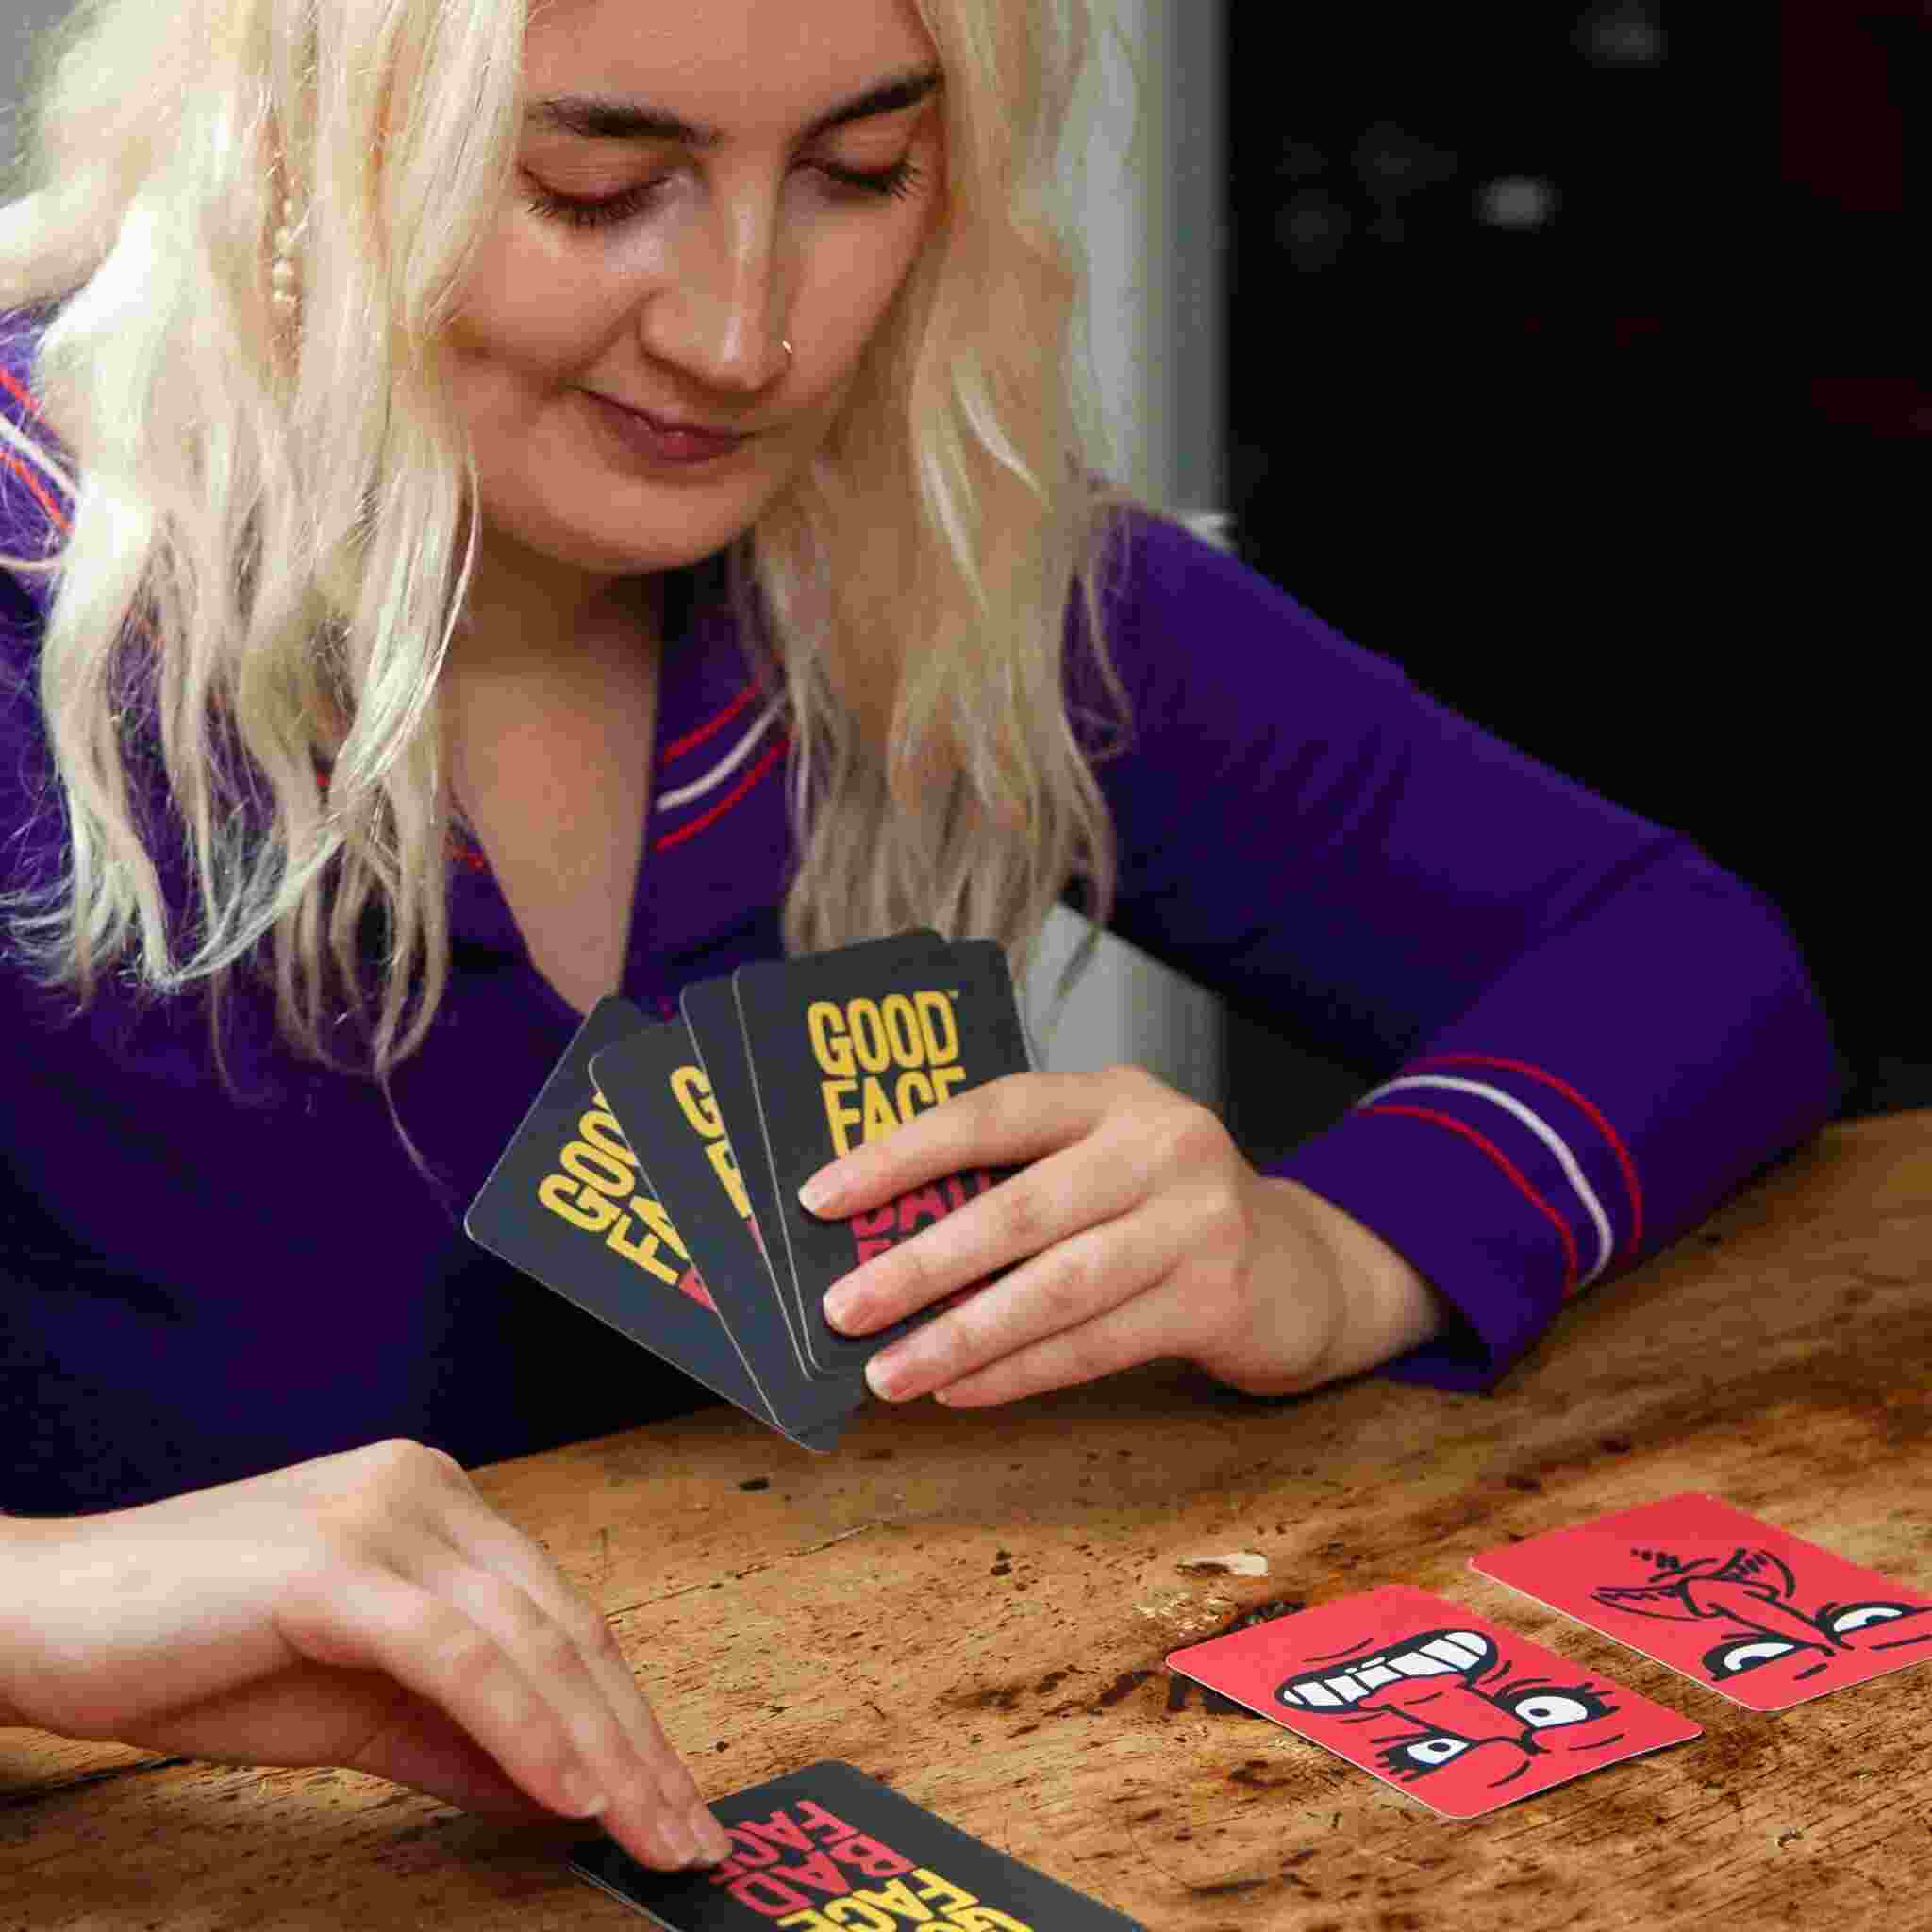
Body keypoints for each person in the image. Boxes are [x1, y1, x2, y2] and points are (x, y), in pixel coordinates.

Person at [0, 0, 1842, 1879]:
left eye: (859, 173)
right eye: (594, 187)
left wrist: (1341, 1245)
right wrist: (40, 1605)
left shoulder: (919, 560)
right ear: (289, 150)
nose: (743, 338)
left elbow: (1690, 961)